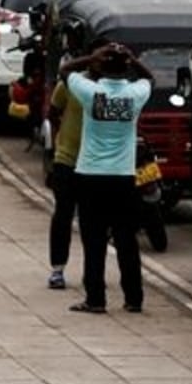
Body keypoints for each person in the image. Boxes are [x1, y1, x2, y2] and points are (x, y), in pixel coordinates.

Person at [62, 43, 152, 314]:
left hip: (90, 175)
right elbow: (150, 78)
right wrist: (133, 59)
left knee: (94, 241)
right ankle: (134, 299)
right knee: (127, 240)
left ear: (100, 67)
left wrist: (92, 57)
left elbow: (65, 70)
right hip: (123, 177)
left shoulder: (91, 92)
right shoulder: (135, 94)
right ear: (126, 69)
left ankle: (96, 299)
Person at [45, 58, 91, 291]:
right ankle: (57, 268)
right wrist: (57, 143)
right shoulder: (72, 83)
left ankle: (92, 273)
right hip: (67, 159)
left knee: (92, 220)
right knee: (63, 214)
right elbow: (53, 112)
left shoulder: (113, 88)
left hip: (94, 165)